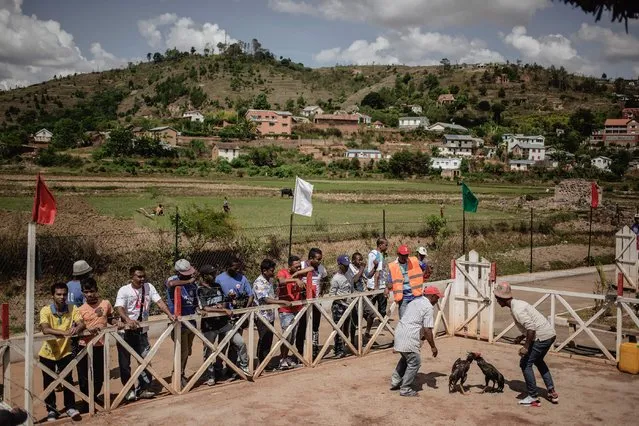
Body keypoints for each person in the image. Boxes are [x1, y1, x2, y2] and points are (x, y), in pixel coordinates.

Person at [114, 266, 175, 401]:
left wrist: (170, 314)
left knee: (145, 360)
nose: (142, 279)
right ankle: (128, 390)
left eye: (143, 276)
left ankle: (143, 388)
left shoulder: (149, 287)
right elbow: (119, 307)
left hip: (142, 332)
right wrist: (128, 320)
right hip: (126, 332)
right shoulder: (124, 290)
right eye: (139, 276)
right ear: (131, 277)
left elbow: (159, 302)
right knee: (124, 364)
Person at [494, 282, 559, 406]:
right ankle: (551, 392)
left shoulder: (517, 309)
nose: (497, 301)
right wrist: (522, 336)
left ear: (502, 298)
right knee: (538, 361)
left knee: (525, 364)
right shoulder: (518, 304)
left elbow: (531, 328)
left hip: (542, 337)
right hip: (549, 334)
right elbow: (530, 325)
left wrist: (526, 347)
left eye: (497, 298)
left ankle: (533, 397)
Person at [39, 282, 85, 422]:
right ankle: (51, 410)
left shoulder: (72, 308)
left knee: (68, 380)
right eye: (58, 294)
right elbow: (45, 328)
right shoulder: (46, 310)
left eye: (64, 294)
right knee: (48, 382)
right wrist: (64, 332)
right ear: (52, 295)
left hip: (65, 351)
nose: (62, 297)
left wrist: (76, 329)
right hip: (48, 353)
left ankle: (70, 407)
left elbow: (82, 323)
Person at [390, 286, 442, 397]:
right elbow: (428, 329)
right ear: (432, 296)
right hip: (409, 335)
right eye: (437, 298)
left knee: (406, 358)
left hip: (400, 331)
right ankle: (405, 388)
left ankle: (395, 381)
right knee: (415, 362)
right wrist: (433, 346)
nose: (438, 300)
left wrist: (422, 337)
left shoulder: (416, 300)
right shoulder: (428, 307)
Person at [77, 278, 114, 405]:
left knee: (99, 375)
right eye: (86, 292)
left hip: (100, 345)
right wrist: (87, 329)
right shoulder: (79, 309)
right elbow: (77, 327)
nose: (89, 294)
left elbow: (110, 318)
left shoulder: (106, 303)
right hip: (84, 346)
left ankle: (94, 396)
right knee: (84, 376)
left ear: (97, 290)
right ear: (83, 293)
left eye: (92, 291)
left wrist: (118, 322)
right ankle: (86, 401)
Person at [196, 265, 235, 385]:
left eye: (214, 273)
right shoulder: (200, 290)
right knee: (208, 350)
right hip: (209, 326)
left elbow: (222, 301)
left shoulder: (217, 286)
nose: (214, 276)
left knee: (223, 346)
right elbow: (205, 307)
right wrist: (223, 310)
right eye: (211, 274)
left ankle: (218, 369)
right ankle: (209, 374)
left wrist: (225, 302)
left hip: (222, 322)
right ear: (204, 276)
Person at [215, 257, 253, 375]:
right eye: (234, 268)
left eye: (238, 268)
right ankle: (218, 369)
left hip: (238, 316)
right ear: (228, 267)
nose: (237, 270)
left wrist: (245, 309)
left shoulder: (242, 278)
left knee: (236, 344)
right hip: (224, 317)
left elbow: (250, 294)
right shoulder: (219, 279)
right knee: (223, 344)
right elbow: (215, 296)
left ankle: (231, 369)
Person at [165, 259, 199, 387]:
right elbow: (171, 284)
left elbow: (195, 300)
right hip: (179, 323)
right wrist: (187, 282)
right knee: (182, 351)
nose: (189, 275)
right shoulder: (173, 279)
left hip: (191, 321)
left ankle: (181, 372)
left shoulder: (193, 284)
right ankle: (177, 375)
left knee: (188, 351)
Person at [253, 259, 289, 367]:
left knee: (269, 339)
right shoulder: (259, 283)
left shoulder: (269, 281)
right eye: (271, 270)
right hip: (262, 316)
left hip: (270, 315)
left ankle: (266, 363)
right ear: (264, 271)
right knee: (263, 339)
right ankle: (261, 363)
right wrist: (282, 301)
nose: (273, 272)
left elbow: (271, 296)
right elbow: (265, 299)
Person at [276, 255, 306, 369]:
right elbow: (281, 281)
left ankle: (286, 356)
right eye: (296, 267)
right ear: (289, 266)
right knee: (286, 335)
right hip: (286, 310)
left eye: (299, 266)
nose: (298, 269)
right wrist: (295, 279)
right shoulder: (282, 272)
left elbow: (311, 269)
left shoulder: (299, 273)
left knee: (292, 336)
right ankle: (282, 359)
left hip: (297, 309)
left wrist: (297, 274)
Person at [298, 248, 327, 358]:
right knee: (302, 327)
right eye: (318, 259)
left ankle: (314, 350)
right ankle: (300, 352)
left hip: (316, 302)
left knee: (315, 327)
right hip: (302, 303)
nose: (319, 261)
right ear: (310, 258)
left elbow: (325, 277)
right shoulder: (301, 265)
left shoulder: (321, 268)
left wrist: (322, 292)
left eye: (321, 259)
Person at [388, 245, 424, 319]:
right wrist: (387, 286)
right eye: (403, 255)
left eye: (406, 255)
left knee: (417, 319)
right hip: (403, 298)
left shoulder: (414, 261)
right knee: (404, 320)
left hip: (415, 296)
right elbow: (389, 279)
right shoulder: (393, 266)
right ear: (398, 254)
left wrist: (425, 273)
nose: (405, 257)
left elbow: (425, 267)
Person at [345, 252, 373, 348]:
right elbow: (355, 280)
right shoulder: (350, 269)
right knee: (355, 320)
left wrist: (375, 267)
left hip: (363, 295)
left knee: (372, 313)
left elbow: (369, 275)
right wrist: (361, 268)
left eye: (361, 259)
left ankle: (367, 332)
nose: (360, 261)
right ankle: (353, 341)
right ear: (353, 261)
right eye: (358, 259)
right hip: (354, 296)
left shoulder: (360, 268)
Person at [330, 255, 354, 358]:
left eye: (348, 265)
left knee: (346, 327)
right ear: (339, 265)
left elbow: (352, 285)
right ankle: (338, 350)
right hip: (339, 305)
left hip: (348, 304)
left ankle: (344, 346)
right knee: (338, 328)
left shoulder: (349, 273)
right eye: (345, 265)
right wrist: (341, 298)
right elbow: (331, 294)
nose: (347, 267)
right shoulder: (336, 278)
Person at [365, 238, 389, 339]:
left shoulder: (371, 254)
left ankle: (368, 330)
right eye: (385, 245)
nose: (387, 247)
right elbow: (377, 273)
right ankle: (382, 326)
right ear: (380, 245)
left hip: (371, 285)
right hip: (379, 285)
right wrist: (377, 287)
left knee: (370, 309)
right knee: (382, 309)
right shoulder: (379, 255)